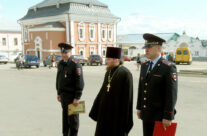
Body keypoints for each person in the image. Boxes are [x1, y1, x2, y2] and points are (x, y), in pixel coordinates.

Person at [136, 33, 178, 136]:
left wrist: (168, 116)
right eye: (145, 47)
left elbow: (172, 94)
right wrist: (139, 107)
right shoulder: (145, 65)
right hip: (146, 114)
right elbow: (142, 88)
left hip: (160, 116)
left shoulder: (168, 67)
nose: (146, 49)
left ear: (159, 48)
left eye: (149, 47)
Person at [89, 47, 134, 136]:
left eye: (109, 59)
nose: (106, 62)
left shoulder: (125, 73)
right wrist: (96, 109)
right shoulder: (108, 72)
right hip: (104, 115)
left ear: (116, 59)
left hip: (117, 116)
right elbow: (102, 92)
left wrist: (125, 120)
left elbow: (127, 99)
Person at [56, 43, 84, 136]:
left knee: (73, 122)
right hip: (64, 97)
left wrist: (77, 97)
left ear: (70, 52)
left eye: (66, 52)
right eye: (62, 52)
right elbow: (59, 79)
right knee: (65, 121)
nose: (64, 55)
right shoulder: (61, 63)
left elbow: (80, 82)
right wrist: (58, 93)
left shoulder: (75, 64)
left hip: (73, 98)